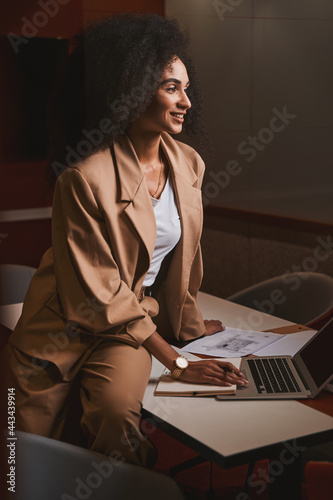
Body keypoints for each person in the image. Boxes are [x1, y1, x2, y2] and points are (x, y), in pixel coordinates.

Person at [4, 13, 247, 467]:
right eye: (171, 88)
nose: (186, 102)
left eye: (186, 88)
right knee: (20, 464)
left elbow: (181, 260)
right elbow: (99, 294)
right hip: (58, 331)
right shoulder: (83, 178)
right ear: (131, 91)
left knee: (117, 421)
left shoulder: (188, 164)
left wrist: (189, 327)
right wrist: (175, 361)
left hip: (125, 326)